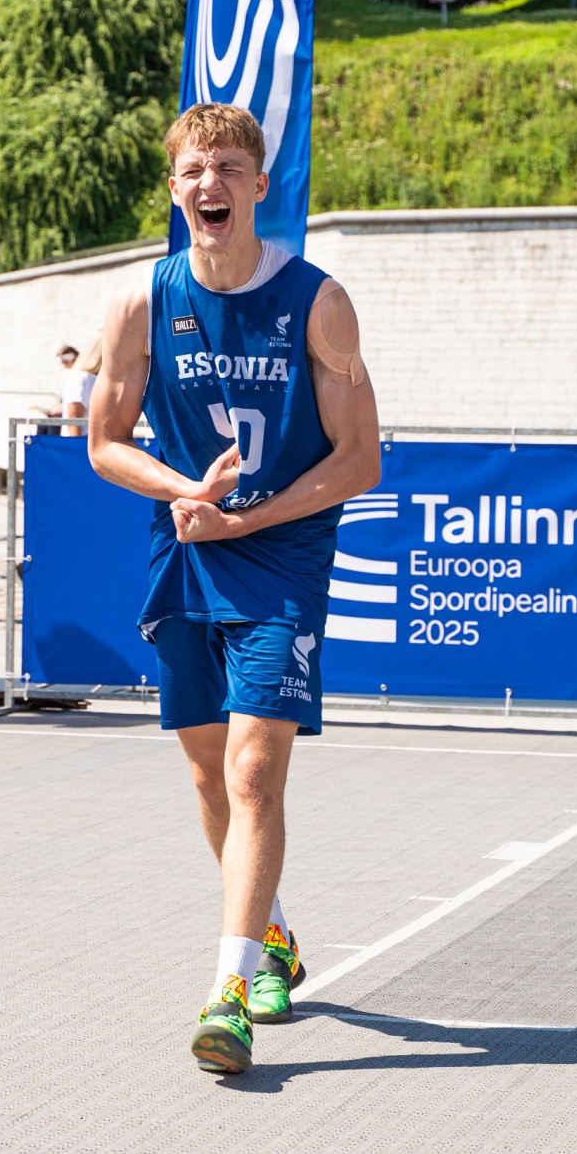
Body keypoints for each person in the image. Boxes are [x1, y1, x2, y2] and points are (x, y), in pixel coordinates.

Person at [90, 104, 380, 1074]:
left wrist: (246, 519)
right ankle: (273, 937)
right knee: (209, 776)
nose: (208, 183)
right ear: (173, 190)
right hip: (186, 545)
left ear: (259, 184)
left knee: (255, 775)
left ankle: (228, 997)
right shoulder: (140, 302)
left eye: (226, 168)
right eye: (192, 170)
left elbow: (360, 460)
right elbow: (104, 445)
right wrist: (185, 491)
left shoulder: (316, 301)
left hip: (282, 555)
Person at [61, 335, 102, 436]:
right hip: (82, 441)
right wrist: (76, 444)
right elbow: (74, 421)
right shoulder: (83, 378)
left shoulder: (97, 379)